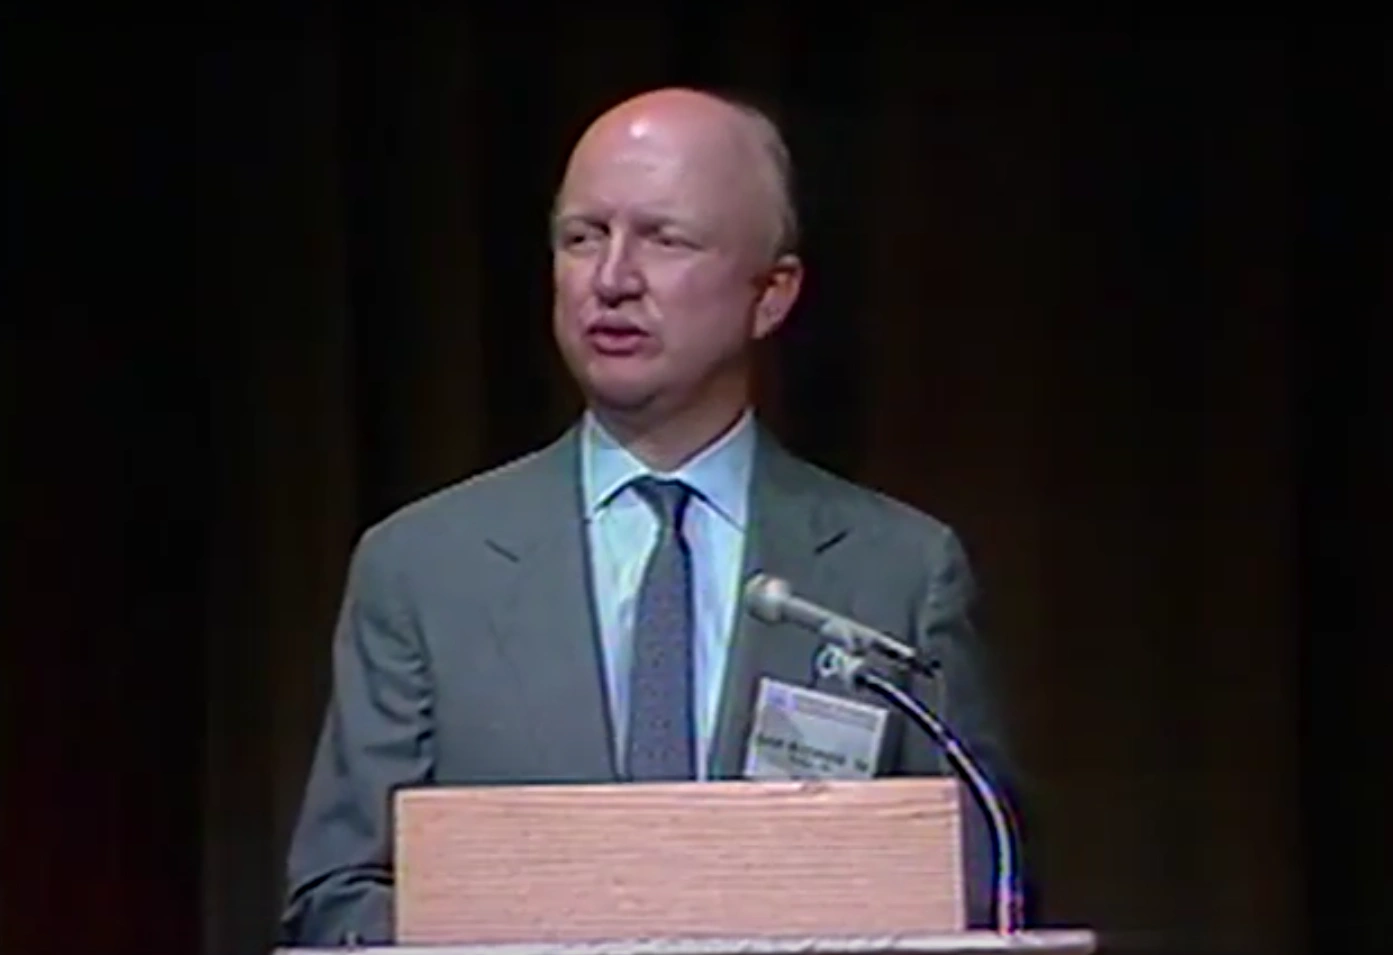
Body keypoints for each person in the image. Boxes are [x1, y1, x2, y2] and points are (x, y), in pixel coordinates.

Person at [280, 87, 1017, 946]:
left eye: (664, 239)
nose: (612, 279)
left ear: (771, 293)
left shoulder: (898, 571)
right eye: (583, 237)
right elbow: (337, 899)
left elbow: (973, 889)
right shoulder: (422, 568)